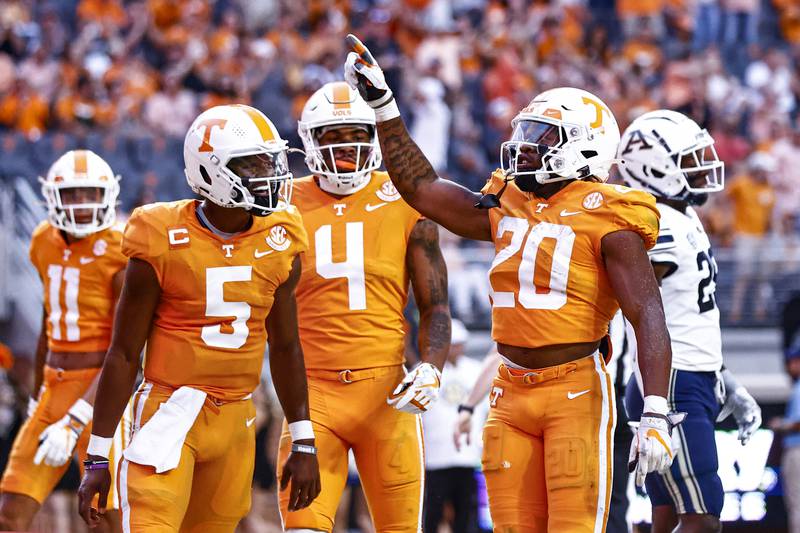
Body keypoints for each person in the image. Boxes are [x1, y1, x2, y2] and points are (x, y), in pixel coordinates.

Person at [344, 35, 678, 532]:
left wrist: (655, 410)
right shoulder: (507, 197)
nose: (525, 144)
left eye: (543, 136)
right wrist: (384, 107)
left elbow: (647, 313)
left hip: (574, 389)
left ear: (585, 147)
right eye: (527, 130)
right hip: (508, 391)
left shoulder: (610, 212)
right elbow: (423, 190)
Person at [77, 104, 321, 531]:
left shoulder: (284, 233)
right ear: (210, 171)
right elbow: (123, 353)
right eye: (251, 164)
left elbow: (285, 345)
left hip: (238, 421)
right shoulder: (159, 234)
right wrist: (97, 453)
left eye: (269, 161)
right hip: (169, 412)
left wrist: (303, 439)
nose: (268, 174)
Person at [279, 81, 450, 531]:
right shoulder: (280, 202)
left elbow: (436, 306)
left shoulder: (405, 197)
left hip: (386, 395)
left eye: (355, 133)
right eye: (332, 137)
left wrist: (431, 366)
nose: (345, 147)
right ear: (309, 141)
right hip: (310, 397)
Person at [618, 109, 762, 533]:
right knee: (703, 519)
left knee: (666, 517)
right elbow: (639, 304)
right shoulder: (657, 222)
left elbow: (688, 314)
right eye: (688, 162)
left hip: (687, 376)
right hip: (673, 384)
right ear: (654, 168)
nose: (701, 172)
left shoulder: (683, 217)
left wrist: (725, 379)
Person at [0, 150, 128, 532]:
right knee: (9, 511)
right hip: (53, 389)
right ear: (53, 197)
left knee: (104, 516)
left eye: (90, 193)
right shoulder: (43, 240)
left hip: (99, 393)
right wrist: (38, 391)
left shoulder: (122, 250)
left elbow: (125, 350)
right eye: (72, 194)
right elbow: (48, 316)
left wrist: (77, 419)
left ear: (109, 194)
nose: (82, 204)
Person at [423, 319, 484, 533]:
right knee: (432, 512)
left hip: (467, 455)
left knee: (466, 512)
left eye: (460, 344)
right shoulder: (425, 373)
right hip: (436, 455)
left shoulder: (476, 370)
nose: (457, 348)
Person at [770, 344, 800, 533]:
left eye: (794, 361)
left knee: (797, 503)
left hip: (797, 450)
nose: (790, 366)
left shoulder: (799, 388)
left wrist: (780, 424)